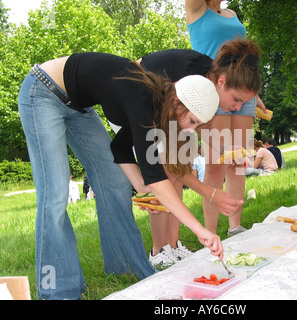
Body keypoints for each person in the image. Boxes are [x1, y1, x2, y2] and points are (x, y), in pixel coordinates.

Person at [18, 52, 229, 299]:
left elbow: (120, 148)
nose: (189, 129)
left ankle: (125, 267)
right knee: (55, 194)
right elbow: (156, 177)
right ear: (177, 103)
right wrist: (200, 230)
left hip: (78, 106)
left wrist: (142, 187)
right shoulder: (142, 100)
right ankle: (58, 290)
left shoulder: (160, 105)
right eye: (192, 121)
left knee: (116, 180)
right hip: (43, 90)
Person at [139, 38, 261, 264]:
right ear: (221, 82)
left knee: (180, 169)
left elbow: (201, 141)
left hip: (167, 107)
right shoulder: (190, 85)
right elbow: (170, 161)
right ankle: (158, 251)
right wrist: (209, 192)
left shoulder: (211, 85)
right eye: (236, 100)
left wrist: (228, 153)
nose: (237, 108)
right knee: (165, 175)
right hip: (141, 97)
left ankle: (174, 246)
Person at [186, 0, 266, 237]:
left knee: (238, 162)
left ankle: (235, 228)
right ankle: (209, 233)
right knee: (216, 163)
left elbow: (243, 61)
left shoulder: (231, 13)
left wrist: (253, 94)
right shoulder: (196, 9)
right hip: (214, 91)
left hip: (242, 91)